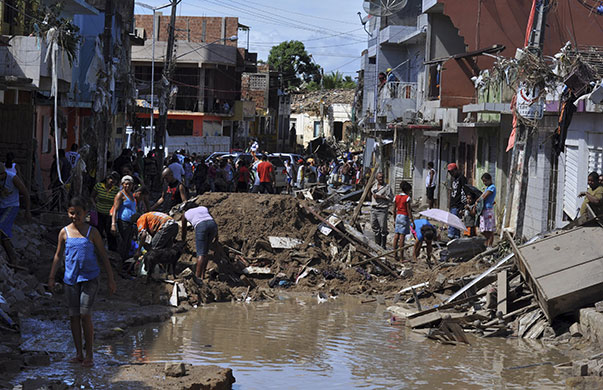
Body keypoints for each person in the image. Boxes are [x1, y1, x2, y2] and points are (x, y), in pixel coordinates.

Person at [48, 197, 116, 367]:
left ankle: (90, 355)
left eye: (78, 213)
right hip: (70, 280)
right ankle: (79, 353)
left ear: (85, 213)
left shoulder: (92, 232)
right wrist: (51, 277)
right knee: (74, 316)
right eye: (72, 213)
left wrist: (111, 279)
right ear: (68, 213)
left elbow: (103, 255)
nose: (75, 216)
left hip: (90, 279)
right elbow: (58, 255)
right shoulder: (64, 232)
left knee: (85, 314)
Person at [0, 164, 31, 264]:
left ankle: (13, 258)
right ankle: (11, 258)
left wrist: (27, 210)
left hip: (12, 206)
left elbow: (25, 193)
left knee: (1, 227)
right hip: (1, 205)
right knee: (3, 235)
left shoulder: (12, 178)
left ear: (3, 173)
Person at [181, 203, 218, 279]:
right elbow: (212, 219)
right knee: (206, 251)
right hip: (213, 225)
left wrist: (183, 241)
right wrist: (217, 236)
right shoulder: (203, 208)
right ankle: (202, 275)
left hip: (201, 226)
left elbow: (184, 230)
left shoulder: (185, 214)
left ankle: (197, 278)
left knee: (200, 254)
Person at [90, 172, 120, 252]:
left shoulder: (116, 190)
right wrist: (94, 205)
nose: (112, 182)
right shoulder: (99, 186)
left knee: (109, 232)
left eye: (115, 181)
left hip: (110, 214)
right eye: (111, 180)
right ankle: (96, 248)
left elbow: (117, 202)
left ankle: (112, 250)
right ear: (107, 179)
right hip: (99, 212)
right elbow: (92, 196)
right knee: (98, 231)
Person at [111, 175, 137, 262]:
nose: (128, 186)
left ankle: (125, 264)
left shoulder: (131, 195)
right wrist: (113, 224)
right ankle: (120, 263)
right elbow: (115, 209)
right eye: (126, 184)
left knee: (128, 244)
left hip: (131, 223)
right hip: (123, 222)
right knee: (122, 244)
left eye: (130, 184)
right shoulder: (120, 194)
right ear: (122, 184)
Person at [370, 172, 394, 248]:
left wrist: (381, 197)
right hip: (374, 209)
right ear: (376, 178)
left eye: (382, 177)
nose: (381, 179)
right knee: (374, 226)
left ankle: (383, 245)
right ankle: (377, 244)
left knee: (383, 228)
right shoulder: (374, 186)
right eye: (379, 177)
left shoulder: (387, 187)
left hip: (382, 209)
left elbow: (391, 198)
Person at [393, 180, 413, 261]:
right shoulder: (407, 198)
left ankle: (395, 255)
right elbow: (409, 210)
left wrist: (394, 219)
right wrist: (412, 220)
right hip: (404, 216)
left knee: (396, 236)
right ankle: (401, 257)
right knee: (402, 237)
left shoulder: (396, 197)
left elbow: (394, 209)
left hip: (398, 216)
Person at [447, 163, 467, 239]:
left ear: (456, 170)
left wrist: (462, 206)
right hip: (453, 204)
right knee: (454, 222)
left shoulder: (462, 179)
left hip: (458, 204)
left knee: (454, 222)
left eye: (452, 172)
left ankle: (453, 236)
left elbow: (464, 192)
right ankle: (456, 238)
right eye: (449, 172)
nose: (451, 174)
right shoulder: (454, 179)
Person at [476, 173, 496, 247]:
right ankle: (487, 243)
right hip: (484, 210)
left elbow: (484, 196)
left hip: (488, 211)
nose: (484, 183)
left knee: (489, 230)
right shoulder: (487, 188)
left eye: (485, 181)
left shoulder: (492, 187)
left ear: (490, 179)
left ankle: (489, 245)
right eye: (483, 181)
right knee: (483, 229)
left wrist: (477, 201)